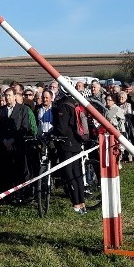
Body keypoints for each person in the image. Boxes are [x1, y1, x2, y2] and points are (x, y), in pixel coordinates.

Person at [52, 87, 87, 215]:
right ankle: (82, 203)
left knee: (69, 173)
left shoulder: (63, 106)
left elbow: (62, 128)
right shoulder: (74, 103)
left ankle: (76, 204)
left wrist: (53, 131)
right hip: (77, 142)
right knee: (77, 174)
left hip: (66, 143)